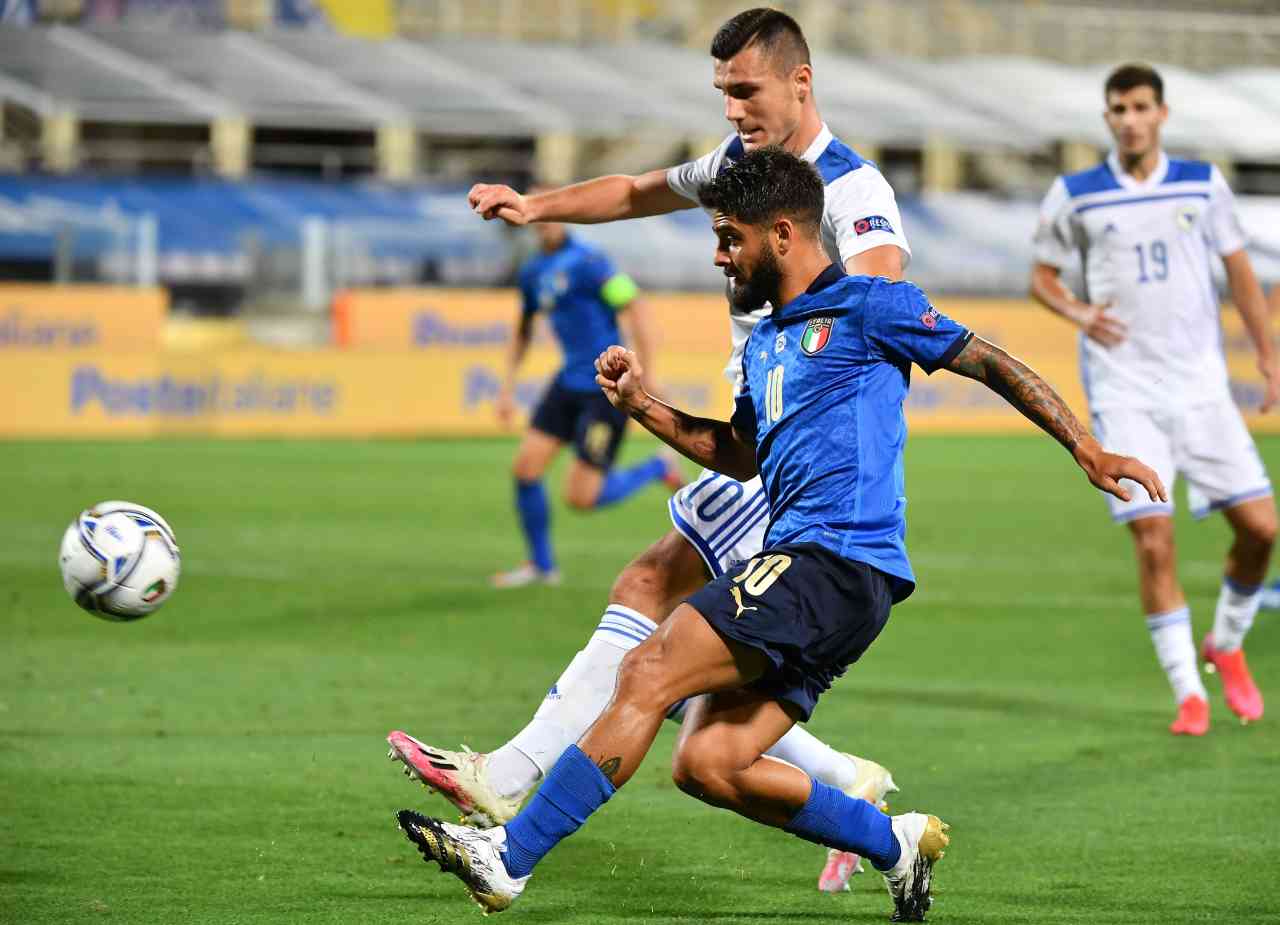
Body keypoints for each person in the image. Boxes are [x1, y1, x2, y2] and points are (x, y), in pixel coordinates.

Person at [394, 147, 1167, 921]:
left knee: (648, 665)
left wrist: (1086, 446)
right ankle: (893, 840)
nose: (719, 253)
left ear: (786, 233)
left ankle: (507, 856)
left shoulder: (872, 306)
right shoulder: (766, 341)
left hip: (834, 560)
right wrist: (643, 405)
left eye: (731, 237)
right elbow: (738, 452)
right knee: (708, 762)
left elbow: (992, 363)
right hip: (817, 574)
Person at [389, 8, 909, 892]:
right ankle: (842, 782)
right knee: (677, 657)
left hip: (794, 450)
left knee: (651, 613)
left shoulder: (851, 191)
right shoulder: (737, 168)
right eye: (723, 92)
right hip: (757, 433)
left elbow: (884, 286)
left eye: (746, 90)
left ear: (801, 81)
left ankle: (507, 785)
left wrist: (806, 371)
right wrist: (535, 205)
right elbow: (636, 191)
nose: (734, 108)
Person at [1030, 63, 1277, 735]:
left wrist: (1269, 354)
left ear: (1161, 113)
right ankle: (1187, 692)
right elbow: (1042, 278)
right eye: (1118, 108)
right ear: (1107, 117)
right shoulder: (1075, 193)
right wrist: (1079, 312)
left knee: (1262, 529)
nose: (1129, 118)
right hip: (1125, 389)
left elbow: (1240, 271)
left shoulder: (1203, 184)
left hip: (1202, 386)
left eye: (1141, 106)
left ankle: (1224, 643)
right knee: (1154, 537)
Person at [489, 207, 683, 588]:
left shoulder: (590, 262)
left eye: (549, 212)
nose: (544, 222)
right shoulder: (531, 273)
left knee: (582, 497)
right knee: (525, 469)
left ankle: (656, 469)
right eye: (537, 216)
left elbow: (634, 306)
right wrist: (507, 388)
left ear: (561, 216)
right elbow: (523, 332)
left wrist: (649, 371)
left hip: (604, 388)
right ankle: (543, 567)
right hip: (567, 384)